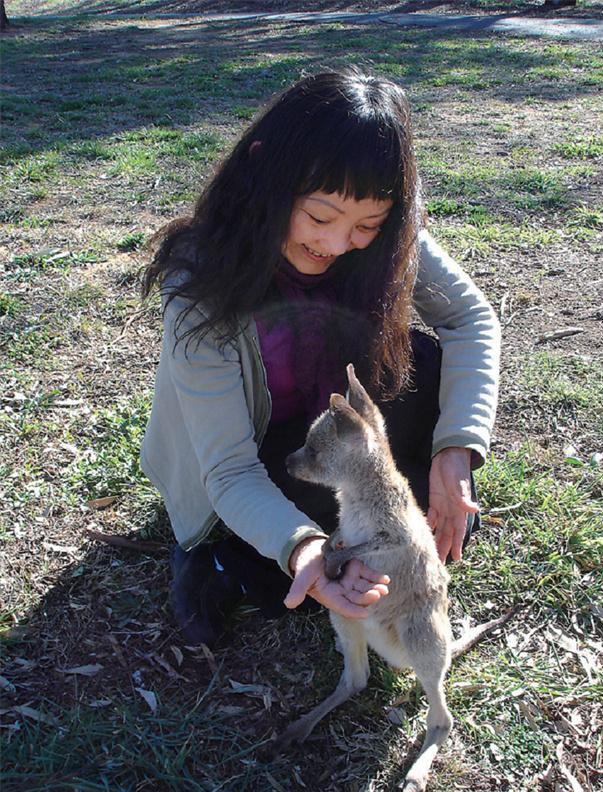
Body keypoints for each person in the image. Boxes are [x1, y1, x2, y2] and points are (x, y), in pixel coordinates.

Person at [140, 69, 501, 646]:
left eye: (366, 226)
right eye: (319, 217)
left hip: (335, 422)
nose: (335, 245)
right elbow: (232, 470)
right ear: (266, 174)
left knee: (425, 367)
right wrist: (305, 548)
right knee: (289, 576)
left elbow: (470, 319)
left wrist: (455, 450)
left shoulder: (389, 236)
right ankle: (211, 559)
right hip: (259, 450)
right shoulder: (198, 284)